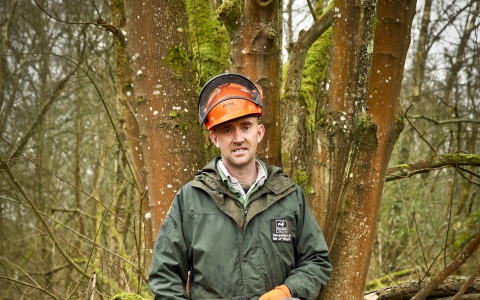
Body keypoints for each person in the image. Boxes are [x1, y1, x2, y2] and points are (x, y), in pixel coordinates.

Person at [148, 73, 332, 300]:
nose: (238, 138)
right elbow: (164, 276)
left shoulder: (289, 196)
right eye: (227, 130)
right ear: (214, 138)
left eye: (246, 127)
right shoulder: (191, 199)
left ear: (259, 132)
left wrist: (288, 291)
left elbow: (317, 261)